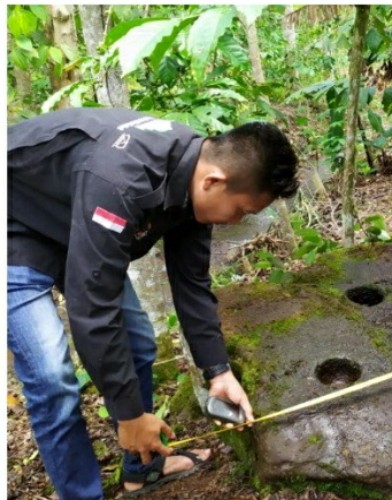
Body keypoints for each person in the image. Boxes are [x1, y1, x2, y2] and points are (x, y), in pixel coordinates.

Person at [7, 107, 300, 498]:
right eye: (242, 211)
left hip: (73, 221)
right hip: (13, 226)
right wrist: (129, 415)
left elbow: (192, 282)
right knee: (52, 380)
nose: (236, 222)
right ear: (214, 181)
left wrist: (218, 372)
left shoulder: (192, 170)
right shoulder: (119, 180)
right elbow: (92, 305)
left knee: (139, 342)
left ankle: (142, 468)